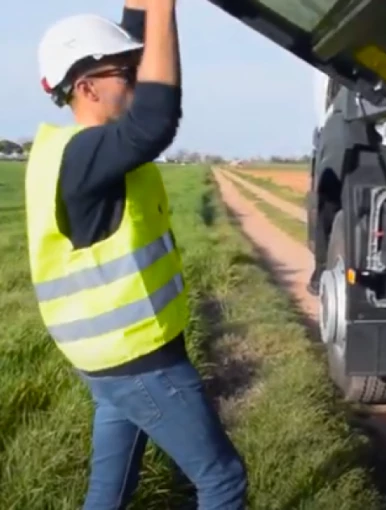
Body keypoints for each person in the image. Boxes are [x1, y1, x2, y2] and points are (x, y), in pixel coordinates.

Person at [25, 1, 248, 508]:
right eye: (127, 73)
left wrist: (142, 6)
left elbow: (137, 49)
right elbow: (155, 120)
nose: (139, 78)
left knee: (109, 493)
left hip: (109, 360)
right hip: (138, 360)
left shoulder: (71, 151)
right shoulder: (86, 155)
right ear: (87, 88)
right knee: (222, 480)